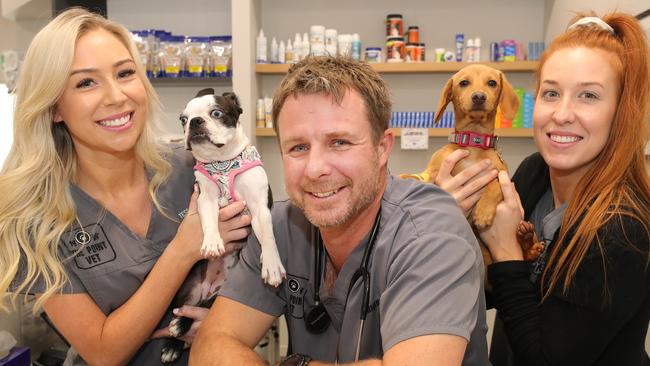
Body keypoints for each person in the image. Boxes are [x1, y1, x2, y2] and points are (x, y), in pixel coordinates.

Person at [190, 56, 489, 365]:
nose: (316, 169)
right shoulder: (279, 228)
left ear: (382, 148)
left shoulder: (432, 235)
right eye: (298, 148)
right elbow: (209, 349)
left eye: (340, 142)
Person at [0, 8, 249, 365]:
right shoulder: (36, 219)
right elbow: (103, 351)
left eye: (125, 73)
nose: (116, 96)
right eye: (86, 82)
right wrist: (183, 249)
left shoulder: (194, 166)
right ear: (54, 106)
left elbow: (261, 271)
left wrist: (226, 326)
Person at [439, 11, 650, 366]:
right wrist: (449, 223)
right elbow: (495, 292)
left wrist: (506, 248)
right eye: (551, 93)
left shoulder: (624, 230)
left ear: (621, 112)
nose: (562, 114)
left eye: (588, 96)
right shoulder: (534, 174)